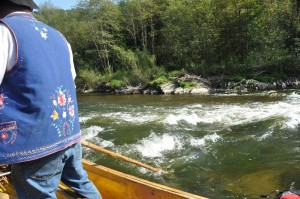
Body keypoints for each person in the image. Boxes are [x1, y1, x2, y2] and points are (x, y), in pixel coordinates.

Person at [0, 0, 102, 198]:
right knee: (81, 182)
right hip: (69, 137)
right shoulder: (59, 36)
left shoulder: (4, 31)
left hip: (35, 146)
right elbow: (70, 82)